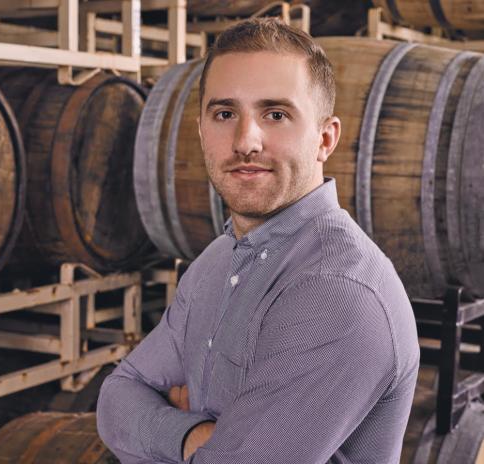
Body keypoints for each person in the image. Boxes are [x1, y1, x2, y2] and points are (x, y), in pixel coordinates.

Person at [96, 17, 419, 464]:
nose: (246, 140)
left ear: (325, 139)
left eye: (276, 115)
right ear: (202, 130)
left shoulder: (337, 291)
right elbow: (116, 399)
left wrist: (163, 432)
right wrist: (195, 438)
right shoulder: (217, 261)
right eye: (225, 114)